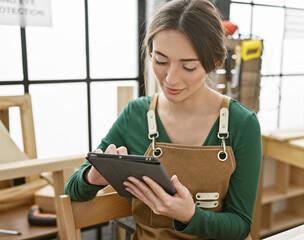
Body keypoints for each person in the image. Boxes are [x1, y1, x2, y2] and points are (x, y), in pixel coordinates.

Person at [64, 0, 262, 239]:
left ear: (215, 63)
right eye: (161, 61)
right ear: (150, 53)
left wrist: (191, 215)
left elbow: (241, 225)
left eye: (188, 67)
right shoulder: (136, 114)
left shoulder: (241, 124)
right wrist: (92, 177)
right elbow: (72, 188)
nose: (170, 79)